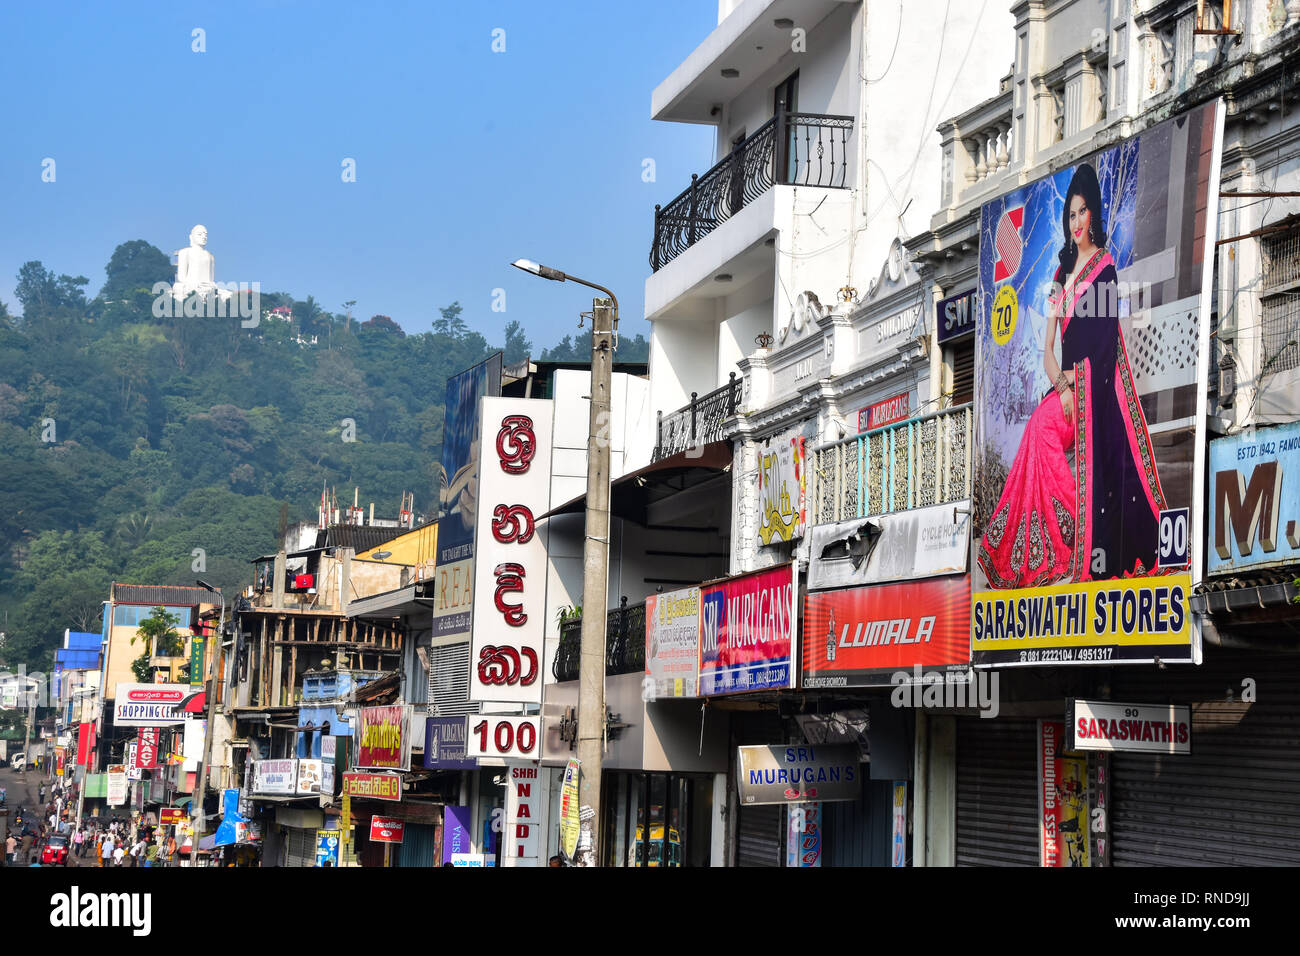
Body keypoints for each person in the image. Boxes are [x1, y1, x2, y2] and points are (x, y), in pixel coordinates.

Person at [978, 162, 1165, 588]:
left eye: (1083, 213)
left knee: (1042, 432)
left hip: (1094, 392)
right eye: (1071, 214)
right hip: (1064, 388)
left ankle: (1082, 525)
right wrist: (1062, 388)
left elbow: (1103, 345)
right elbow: (1047, 351)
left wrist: (1077, 389)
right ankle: (1051, 540)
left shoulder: (1104, 267)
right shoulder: (1059, 280)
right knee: (1035, 432)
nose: (1076, 222)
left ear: (1093, 215)